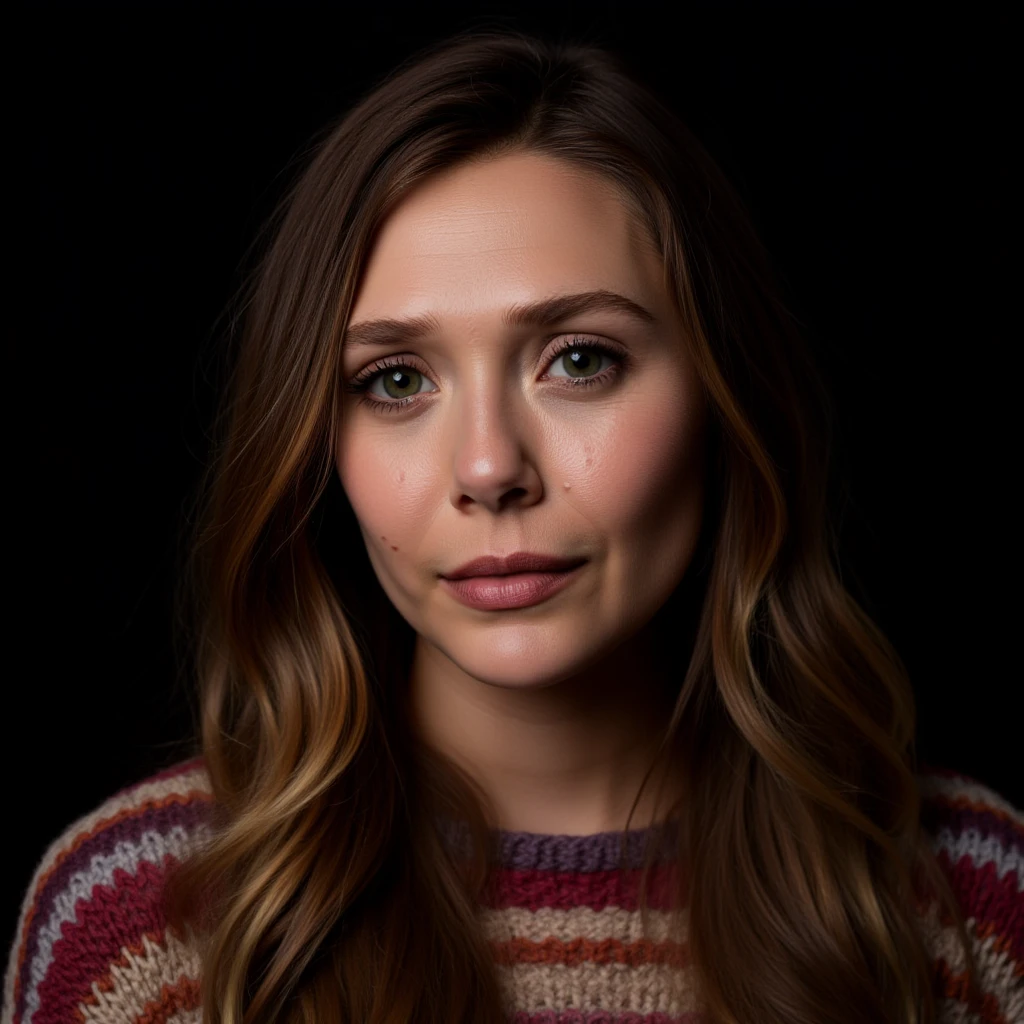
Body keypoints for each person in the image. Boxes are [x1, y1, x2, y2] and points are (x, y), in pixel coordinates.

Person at [5, 27, 1021, 1024]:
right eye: (396, 381)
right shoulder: (140, 926)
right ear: (319, 444)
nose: (489, 467)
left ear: (726, 398)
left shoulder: (977, 910)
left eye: (579, 360)